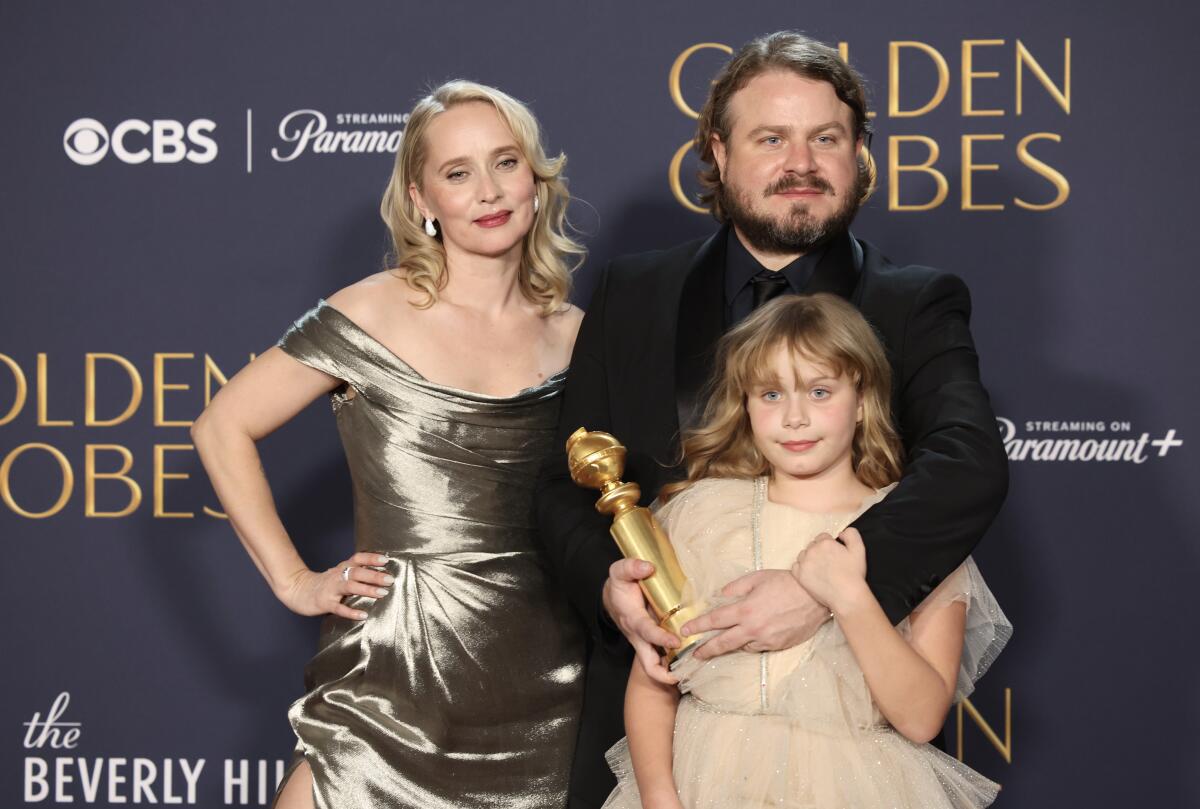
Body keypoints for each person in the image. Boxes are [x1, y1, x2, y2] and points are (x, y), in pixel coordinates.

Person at [534, 31, 1009, 807]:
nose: (802, 162)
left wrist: (823, 584)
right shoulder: (634, 290)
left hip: (851, 745)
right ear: (717, 154)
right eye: (771, 138)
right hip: (664, 735)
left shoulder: (916, 301)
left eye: (827, 137)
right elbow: (565, 480)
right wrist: (610, 588)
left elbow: (968, 463)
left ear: (860, 154)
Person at [193, 80, 587, 809]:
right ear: (420, 200)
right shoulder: (370, 310)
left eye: (506, 162)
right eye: (458, 173)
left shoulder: (577, 336)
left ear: (536, 176)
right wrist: (294, 581)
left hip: (549, 686)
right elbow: (222, 426)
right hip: (393, 674)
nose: (489, 190)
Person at [603, 294, 1011, 809]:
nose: (794, 418)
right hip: (702, 779)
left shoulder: (911, 530)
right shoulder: (699, 516)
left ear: (863, 399)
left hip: (860, 788)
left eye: (820, 391)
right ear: (745, 403)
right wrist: (659, 796)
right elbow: (653, 680)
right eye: (771, 395)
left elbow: (921, 715)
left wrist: (850, 596)